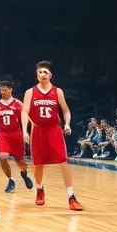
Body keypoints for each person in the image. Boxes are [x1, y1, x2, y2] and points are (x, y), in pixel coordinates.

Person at [21, 61, 83, 211]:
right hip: (37, 130)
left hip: (54, 129)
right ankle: (39, 189)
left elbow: (66, 110)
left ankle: (71, 196)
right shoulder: (30, 92)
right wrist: (24, 130)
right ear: (37, 75)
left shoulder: (57, 91)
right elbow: (24, 111)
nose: (43, 74)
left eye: (45, 72)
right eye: (40, 72)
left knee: (63, 161)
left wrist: (67, 124)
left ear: (50, 75)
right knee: (38, 165)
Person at [0, 80, 33, 192]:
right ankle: (11, 179)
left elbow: (25, 117)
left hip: (16, 134)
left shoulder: (18, 104)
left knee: (20, 161)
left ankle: (24, 175)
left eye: (4, 89)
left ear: (10, 89)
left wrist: (27, 130)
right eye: (1, 89)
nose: (2, 91)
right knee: (3, 156)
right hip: (3, 134)